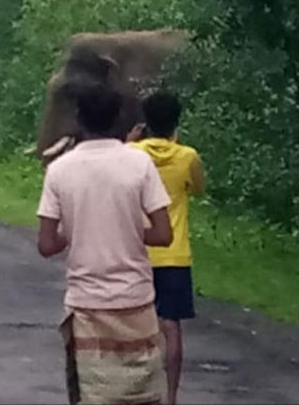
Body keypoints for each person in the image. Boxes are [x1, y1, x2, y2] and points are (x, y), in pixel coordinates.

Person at [37, 84, 173, 405]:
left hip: (88, 305)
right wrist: (126, 227)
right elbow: (164, 234)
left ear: (79, 120)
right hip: (136, 301)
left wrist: (77, 230)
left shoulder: (59, 170)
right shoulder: (139, 165)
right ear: (118, 120)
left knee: (94, 393)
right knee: (143, 394)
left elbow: (46, 244)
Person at [128, 92, 206, 405]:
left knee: (135, 326)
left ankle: (134, 392)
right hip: (174, 252)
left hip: (138, 249)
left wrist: (127, 140)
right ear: (177, 121)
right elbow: (199, 188)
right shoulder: (188, 156)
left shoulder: (132, 153)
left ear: (145, 121)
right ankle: (170, 397)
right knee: (170, 326)